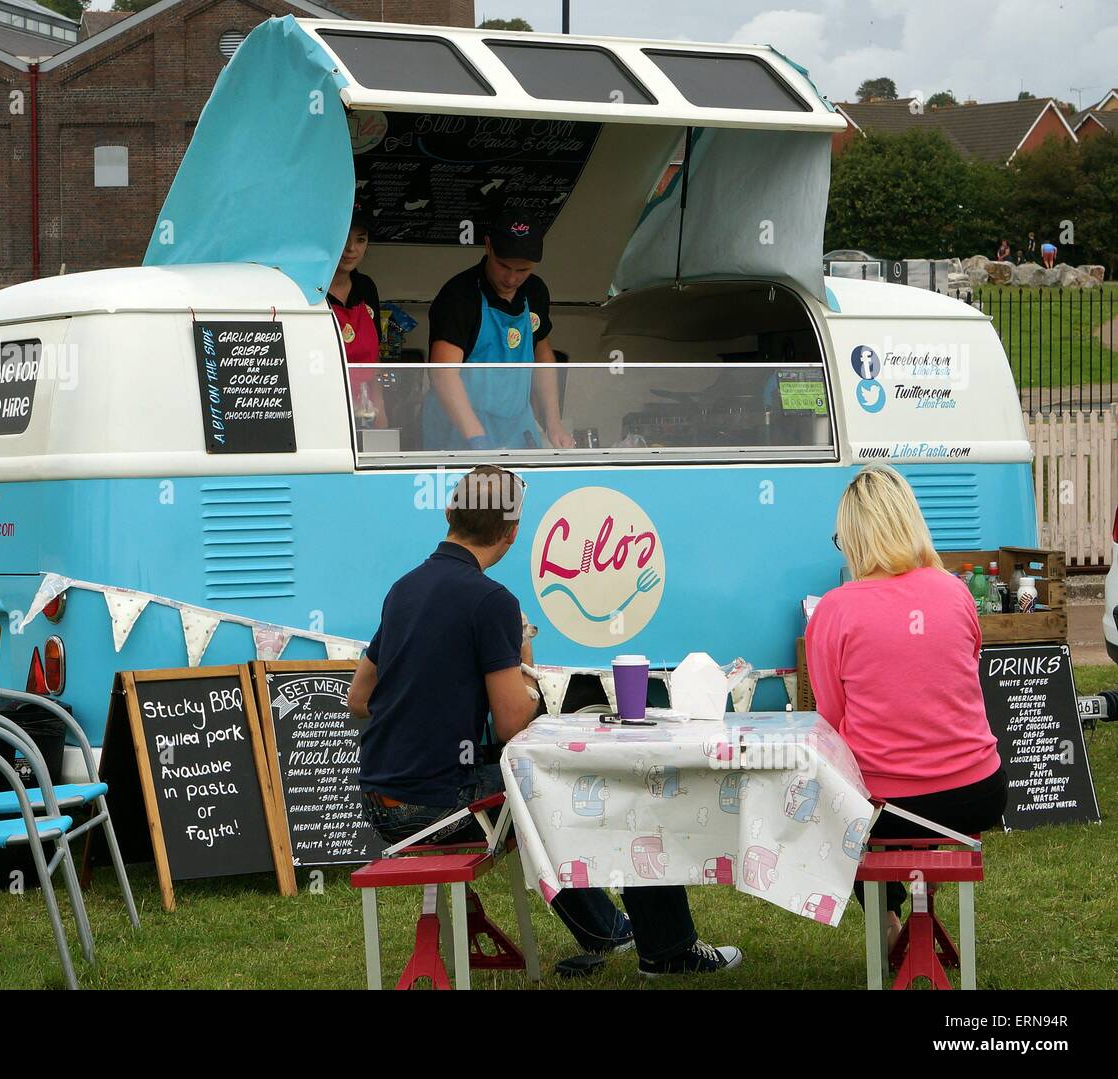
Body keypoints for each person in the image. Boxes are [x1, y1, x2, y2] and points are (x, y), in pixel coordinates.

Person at [350, 465, 742, 976]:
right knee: (616, 789)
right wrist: (524, 653)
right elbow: (515, 722)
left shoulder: (402, 590)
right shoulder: (491, 602)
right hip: (435, 807)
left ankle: (610, 930)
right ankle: (667, 949)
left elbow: (360, 698)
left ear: (448, 513)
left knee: (542, 792)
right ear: (513, 535)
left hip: (382, 803)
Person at [805, 465, 1007, 946]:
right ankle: (923, 891)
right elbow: (962, 682)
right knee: (908, 818)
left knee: (824, 805)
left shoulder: (835, 609)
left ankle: (889, 919)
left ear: (853, 537)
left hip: (888, 804)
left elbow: (831, 721)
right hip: (980, 791)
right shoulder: (957, 593)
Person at [422, 212, 575, 452]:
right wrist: (477, 439)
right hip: (459, 427)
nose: (512, 278)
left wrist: (552, 421)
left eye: (523, 270)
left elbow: (543, 357)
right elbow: (443, 374)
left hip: (516, 424)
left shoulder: (535, 292)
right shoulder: (459, 295)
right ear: (488, 246)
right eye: (503, 265)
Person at [328, 198, 386, 427]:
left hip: (365, 410)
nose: (351, 249)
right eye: (343, 238)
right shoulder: (310, 290)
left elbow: (375, 360)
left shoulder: (366, 287)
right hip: (323, 407)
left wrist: (381, 413)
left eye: (360, 239)